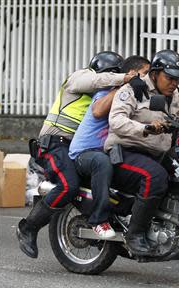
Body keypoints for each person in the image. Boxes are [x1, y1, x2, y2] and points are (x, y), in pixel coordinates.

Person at [16, 51, 137, 259]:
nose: (112, 82)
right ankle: (28, 227)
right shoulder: (79, 78)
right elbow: (97, 80)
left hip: (82, 149)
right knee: (68, 185)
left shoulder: (108, 96)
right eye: (111, 74)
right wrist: (124, 79)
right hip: (55, 143)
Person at [104, 50, 179, 256]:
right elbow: (116, 121)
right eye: (169, 78)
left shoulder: (173, 94)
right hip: (125, 151)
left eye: (177, 79)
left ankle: (163, 223)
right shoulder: (132, 89)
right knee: (155, 176)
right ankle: (135, 235)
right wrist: (146, 128)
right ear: (155, 73)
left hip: (154, 153)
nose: (174, 83)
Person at [68, 56, 150, 238]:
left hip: (110, 150)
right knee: (102, 162)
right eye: (144, 74)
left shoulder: (139, 95)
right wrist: (124, 86)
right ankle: (98, 220)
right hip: (85, 153)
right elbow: (97, 111)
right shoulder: (109, 91)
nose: (147, 79)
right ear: (132, 74)